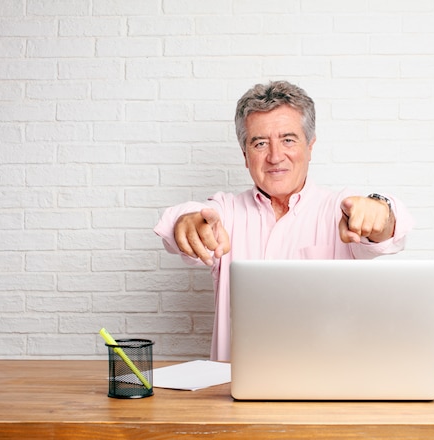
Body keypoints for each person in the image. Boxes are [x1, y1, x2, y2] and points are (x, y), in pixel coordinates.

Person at [154, 80, 414, 361]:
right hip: (236, 391)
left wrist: (379, 209)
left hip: (326, 386)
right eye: (260, 143)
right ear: (245, 156)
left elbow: (388, 229)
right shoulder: (225, 213)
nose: (275, 156)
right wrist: (188, 222)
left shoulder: (341, 208)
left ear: (310, 147)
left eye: (288, 140)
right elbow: (179, 223)